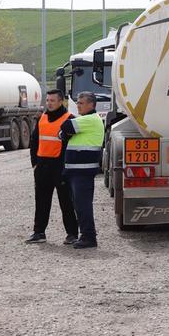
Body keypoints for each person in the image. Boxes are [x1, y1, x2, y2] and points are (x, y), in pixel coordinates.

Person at [25, 89, 79, 245]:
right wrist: (34, 164)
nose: (49, 103)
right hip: (42, 167)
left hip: (60, 168)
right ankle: (39, 232)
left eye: (52, 100)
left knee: (66, 202)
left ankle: (72, 234)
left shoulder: (69, 119)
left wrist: (67, 167)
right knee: (41, 201)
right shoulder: (42, 118)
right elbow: (34, 141)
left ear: (61, 101)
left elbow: (73, 145)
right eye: (47, 100)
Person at [59, 91, 105, 249]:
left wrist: (68, 127)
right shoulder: (86, 120)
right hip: (77, 171)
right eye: (77, 102)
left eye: (81, 103)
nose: (77, 105)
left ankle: (89, 237)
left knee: (83, 205)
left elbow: (65, 127)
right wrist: (65, 131)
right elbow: (62, 134)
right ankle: (86, 235)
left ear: (91, 105)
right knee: (79, 205)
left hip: (82, 172)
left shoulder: (90, 119)